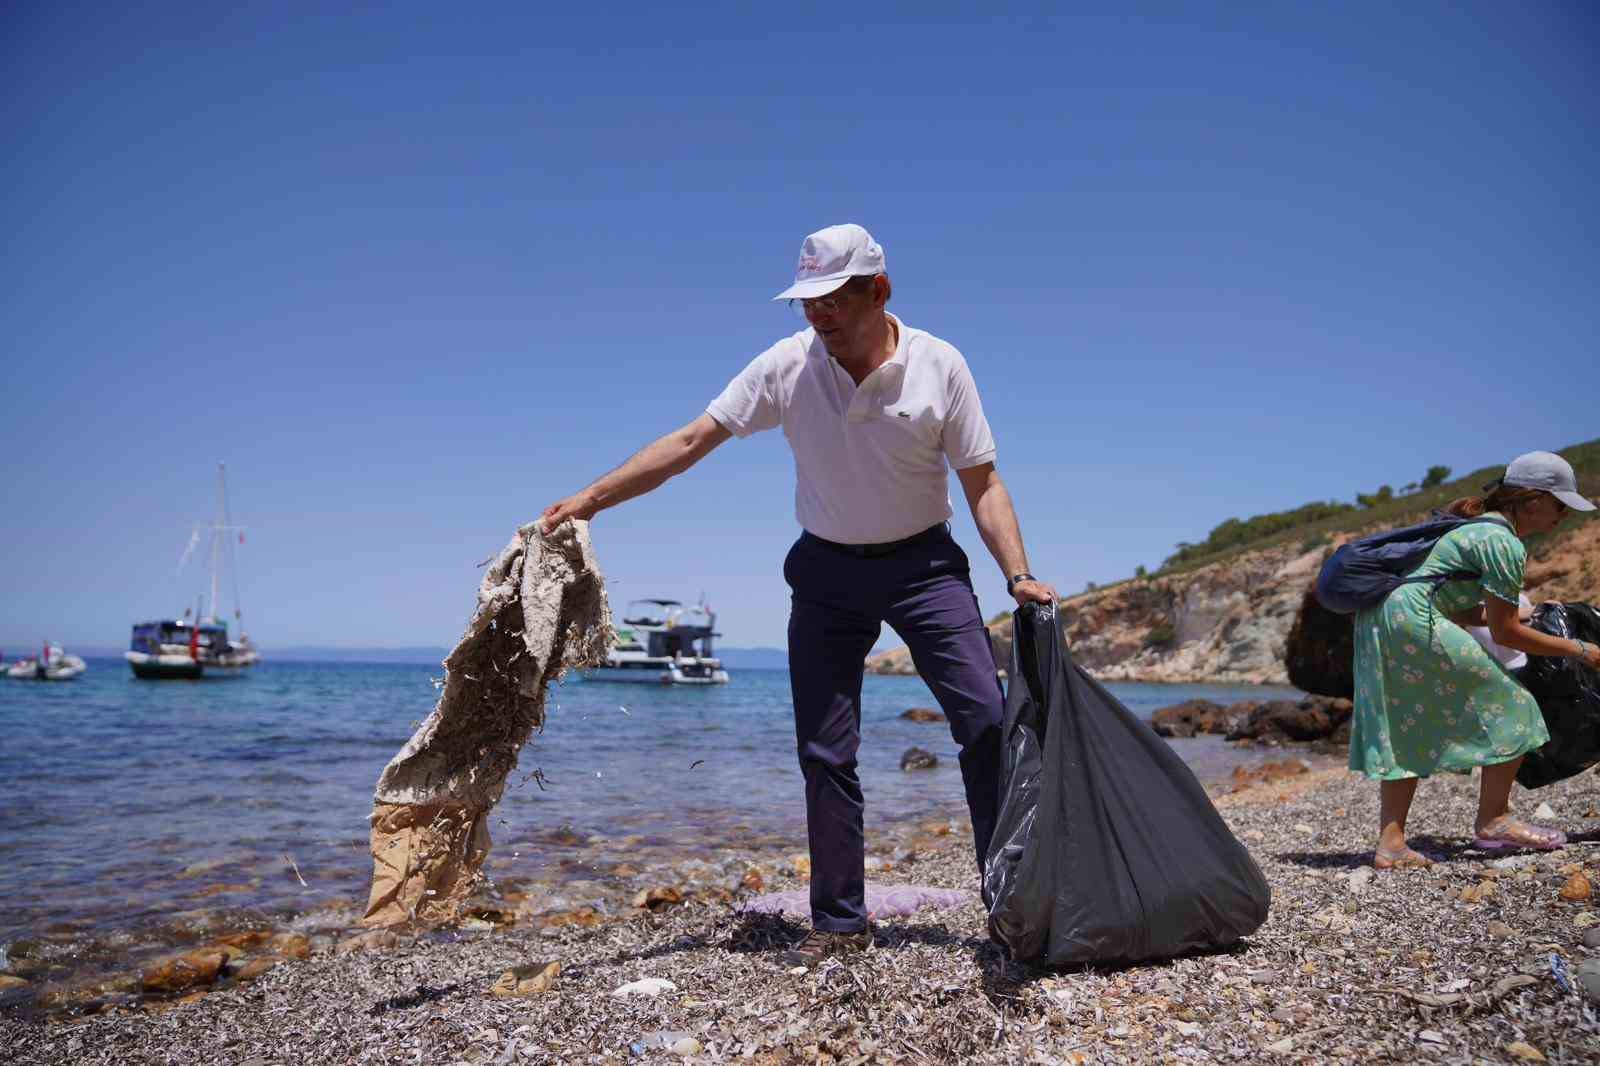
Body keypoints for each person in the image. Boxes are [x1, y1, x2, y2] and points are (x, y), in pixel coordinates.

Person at [541, 223, 1056, 964]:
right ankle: (840, 926)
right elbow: (690, 442)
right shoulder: (786, 367)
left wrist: (1016, 573)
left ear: (878, 290)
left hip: (926, 568)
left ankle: (1014, 908)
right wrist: (590, 498)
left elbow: (983, 482)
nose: (818, 315)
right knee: (825, 750)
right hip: (826, 574)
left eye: (833, 299)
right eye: (806, 301)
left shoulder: (940, 364)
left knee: (984, 723)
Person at [1348, 450, 1600, 869]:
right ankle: (1494, 820)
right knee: (1515, 705)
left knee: (1405, 723)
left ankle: (1391, 844)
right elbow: (1506, 635)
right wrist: (1582, 650)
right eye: (1560, 505)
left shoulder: (1478, 529)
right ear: (1534, 499)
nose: (1564, 516)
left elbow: (1461, 609)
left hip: (1384, 617)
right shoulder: (1503, 542)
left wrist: (1518, 615)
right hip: (1412, 619)